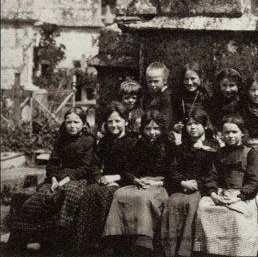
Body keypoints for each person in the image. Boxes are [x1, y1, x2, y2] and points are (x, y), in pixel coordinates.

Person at [7, 107, 95, 254]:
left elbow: (86, 168)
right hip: (57, 177)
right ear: (64, 123)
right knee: (41, 196)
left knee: (68, 194)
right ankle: (20, 243)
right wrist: (54, 179)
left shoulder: (89, 140)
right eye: (69, 122)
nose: (72, 126)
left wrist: (65, 181)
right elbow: (52, 163)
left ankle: (60, 244)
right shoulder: (61, 139)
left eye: (76, 122)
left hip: (78, 178)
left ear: (83, 123)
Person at [193, 115, 258, 257]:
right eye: (227, 132)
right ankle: (214, 252)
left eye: (234, 132)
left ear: (242, 133)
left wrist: (240, 196)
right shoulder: (219, 153)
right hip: (222, 193)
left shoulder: (250, 153)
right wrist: (213, 193)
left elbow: (254, 180)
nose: (230, 136)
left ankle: (238, 252)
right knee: (204, 208)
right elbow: (211, 176)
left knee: (236, 216)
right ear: (221, 135)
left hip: (243, 196)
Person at [103, 110, 171, 255]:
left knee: (142, 198)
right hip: (140, 183)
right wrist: (135, 179)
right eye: (148, 128)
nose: (152, 132)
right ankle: (117, 238)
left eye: (156, 128)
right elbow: (128, 169)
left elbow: (173, 174)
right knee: (119, 194)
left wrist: (157, 183)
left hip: (160, 185)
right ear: (143, 129)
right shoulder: (138, 145)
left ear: (162, 128)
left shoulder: (169, 146)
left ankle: (144, 241)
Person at [74, 101, 137, 253]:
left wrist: (115, 178)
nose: (114, 125)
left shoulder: (133, 142)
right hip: (105, 180)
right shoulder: (104, 142)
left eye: (117, 121)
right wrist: (99, 177)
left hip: (124, 181)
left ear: (125, 121)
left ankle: (108, 243)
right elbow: (95, 164)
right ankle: (86, 242)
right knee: (89, 192)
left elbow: (134, 170)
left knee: (106, 195)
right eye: (110, 122)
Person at [161, 109, 216, 257]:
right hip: (183, 187)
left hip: (202, 188)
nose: (192, 127)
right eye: (189, 124)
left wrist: (198, 184)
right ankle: (169, 251)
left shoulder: (213, 146)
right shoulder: (182, 147)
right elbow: (173, 170)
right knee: (172, 202)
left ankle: (185, 252)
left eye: (197, 124)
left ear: (205, 126)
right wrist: (182, 182)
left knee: (193, 205)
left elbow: (213, 174)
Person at [171, 63, 212, 144]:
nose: (189, 83)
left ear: (201, 78)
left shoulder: (206, 97)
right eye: (186, 79)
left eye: (193, 78)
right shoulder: (177, 96)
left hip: (203, 136)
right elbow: (173, 116)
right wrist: (175, 125)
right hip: (183, 137)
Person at [209, 68, 243, 133]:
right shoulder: (213, 102)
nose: (227, 90)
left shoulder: (243, 102)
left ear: (238, 86)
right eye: (224, 85)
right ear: (219, 85)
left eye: (231, 85)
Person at [145, 62, 173, 126]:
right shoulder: (153, 95)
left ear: (165, 80)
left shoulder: (166, 97)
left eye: (156, 81)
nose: (152, 85)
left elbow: (166, 120)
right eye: (149, 81)